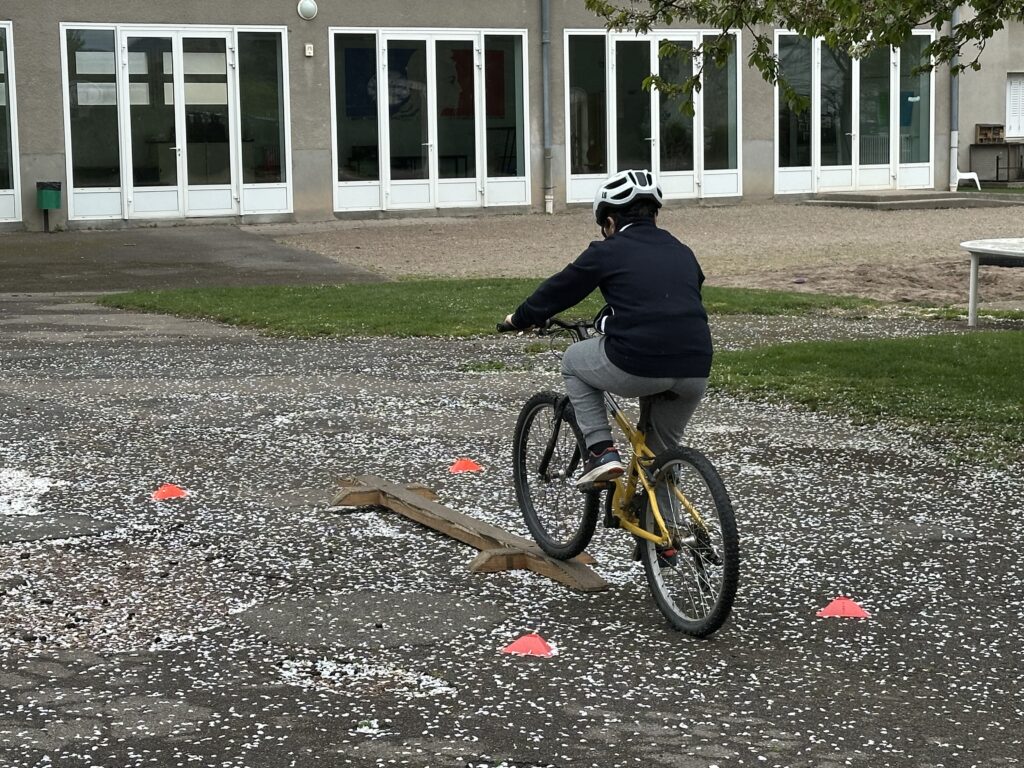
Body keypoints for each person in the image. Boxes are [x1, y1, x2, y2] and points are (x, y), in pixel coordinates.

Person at [503, 168, 712, 489]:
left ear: (610, 222)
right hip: (696, 366)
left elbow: (559, 290)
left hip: (639, 361)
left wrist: (518, 318)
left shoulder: (608, 250)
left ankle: (600, 452)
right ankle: (671, 535)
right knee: (659, 458)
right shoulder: (683, 251)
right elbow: (667, 298)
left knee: (573, 360)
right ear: (653, 216)